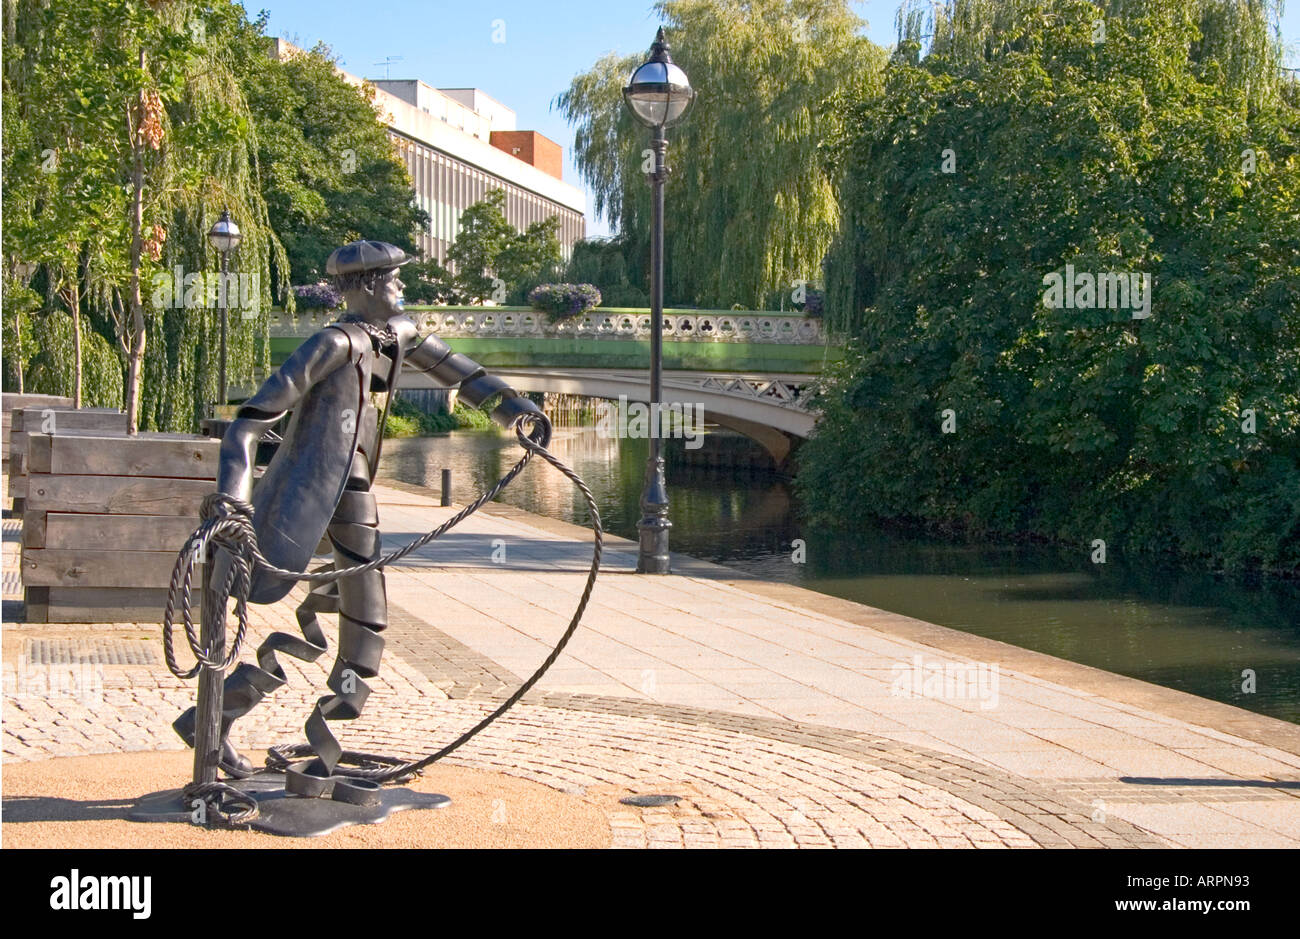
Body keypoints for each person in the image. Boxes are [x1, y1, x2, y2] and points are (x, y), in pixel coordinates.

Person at [174, 240, 549, 796]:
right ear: (368, 285)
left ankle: (272, 722)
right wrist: (233, 499)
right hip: (308, 490)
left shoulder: (398, 333)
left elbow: (465, 377)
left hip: (355, 489)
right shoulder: (330, 343)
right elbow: (248, 425)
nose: (403, 288)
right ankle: (218, 721)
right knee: (349, 614)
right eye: (394, 280)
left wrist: (517, 410)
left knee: (366, 619)